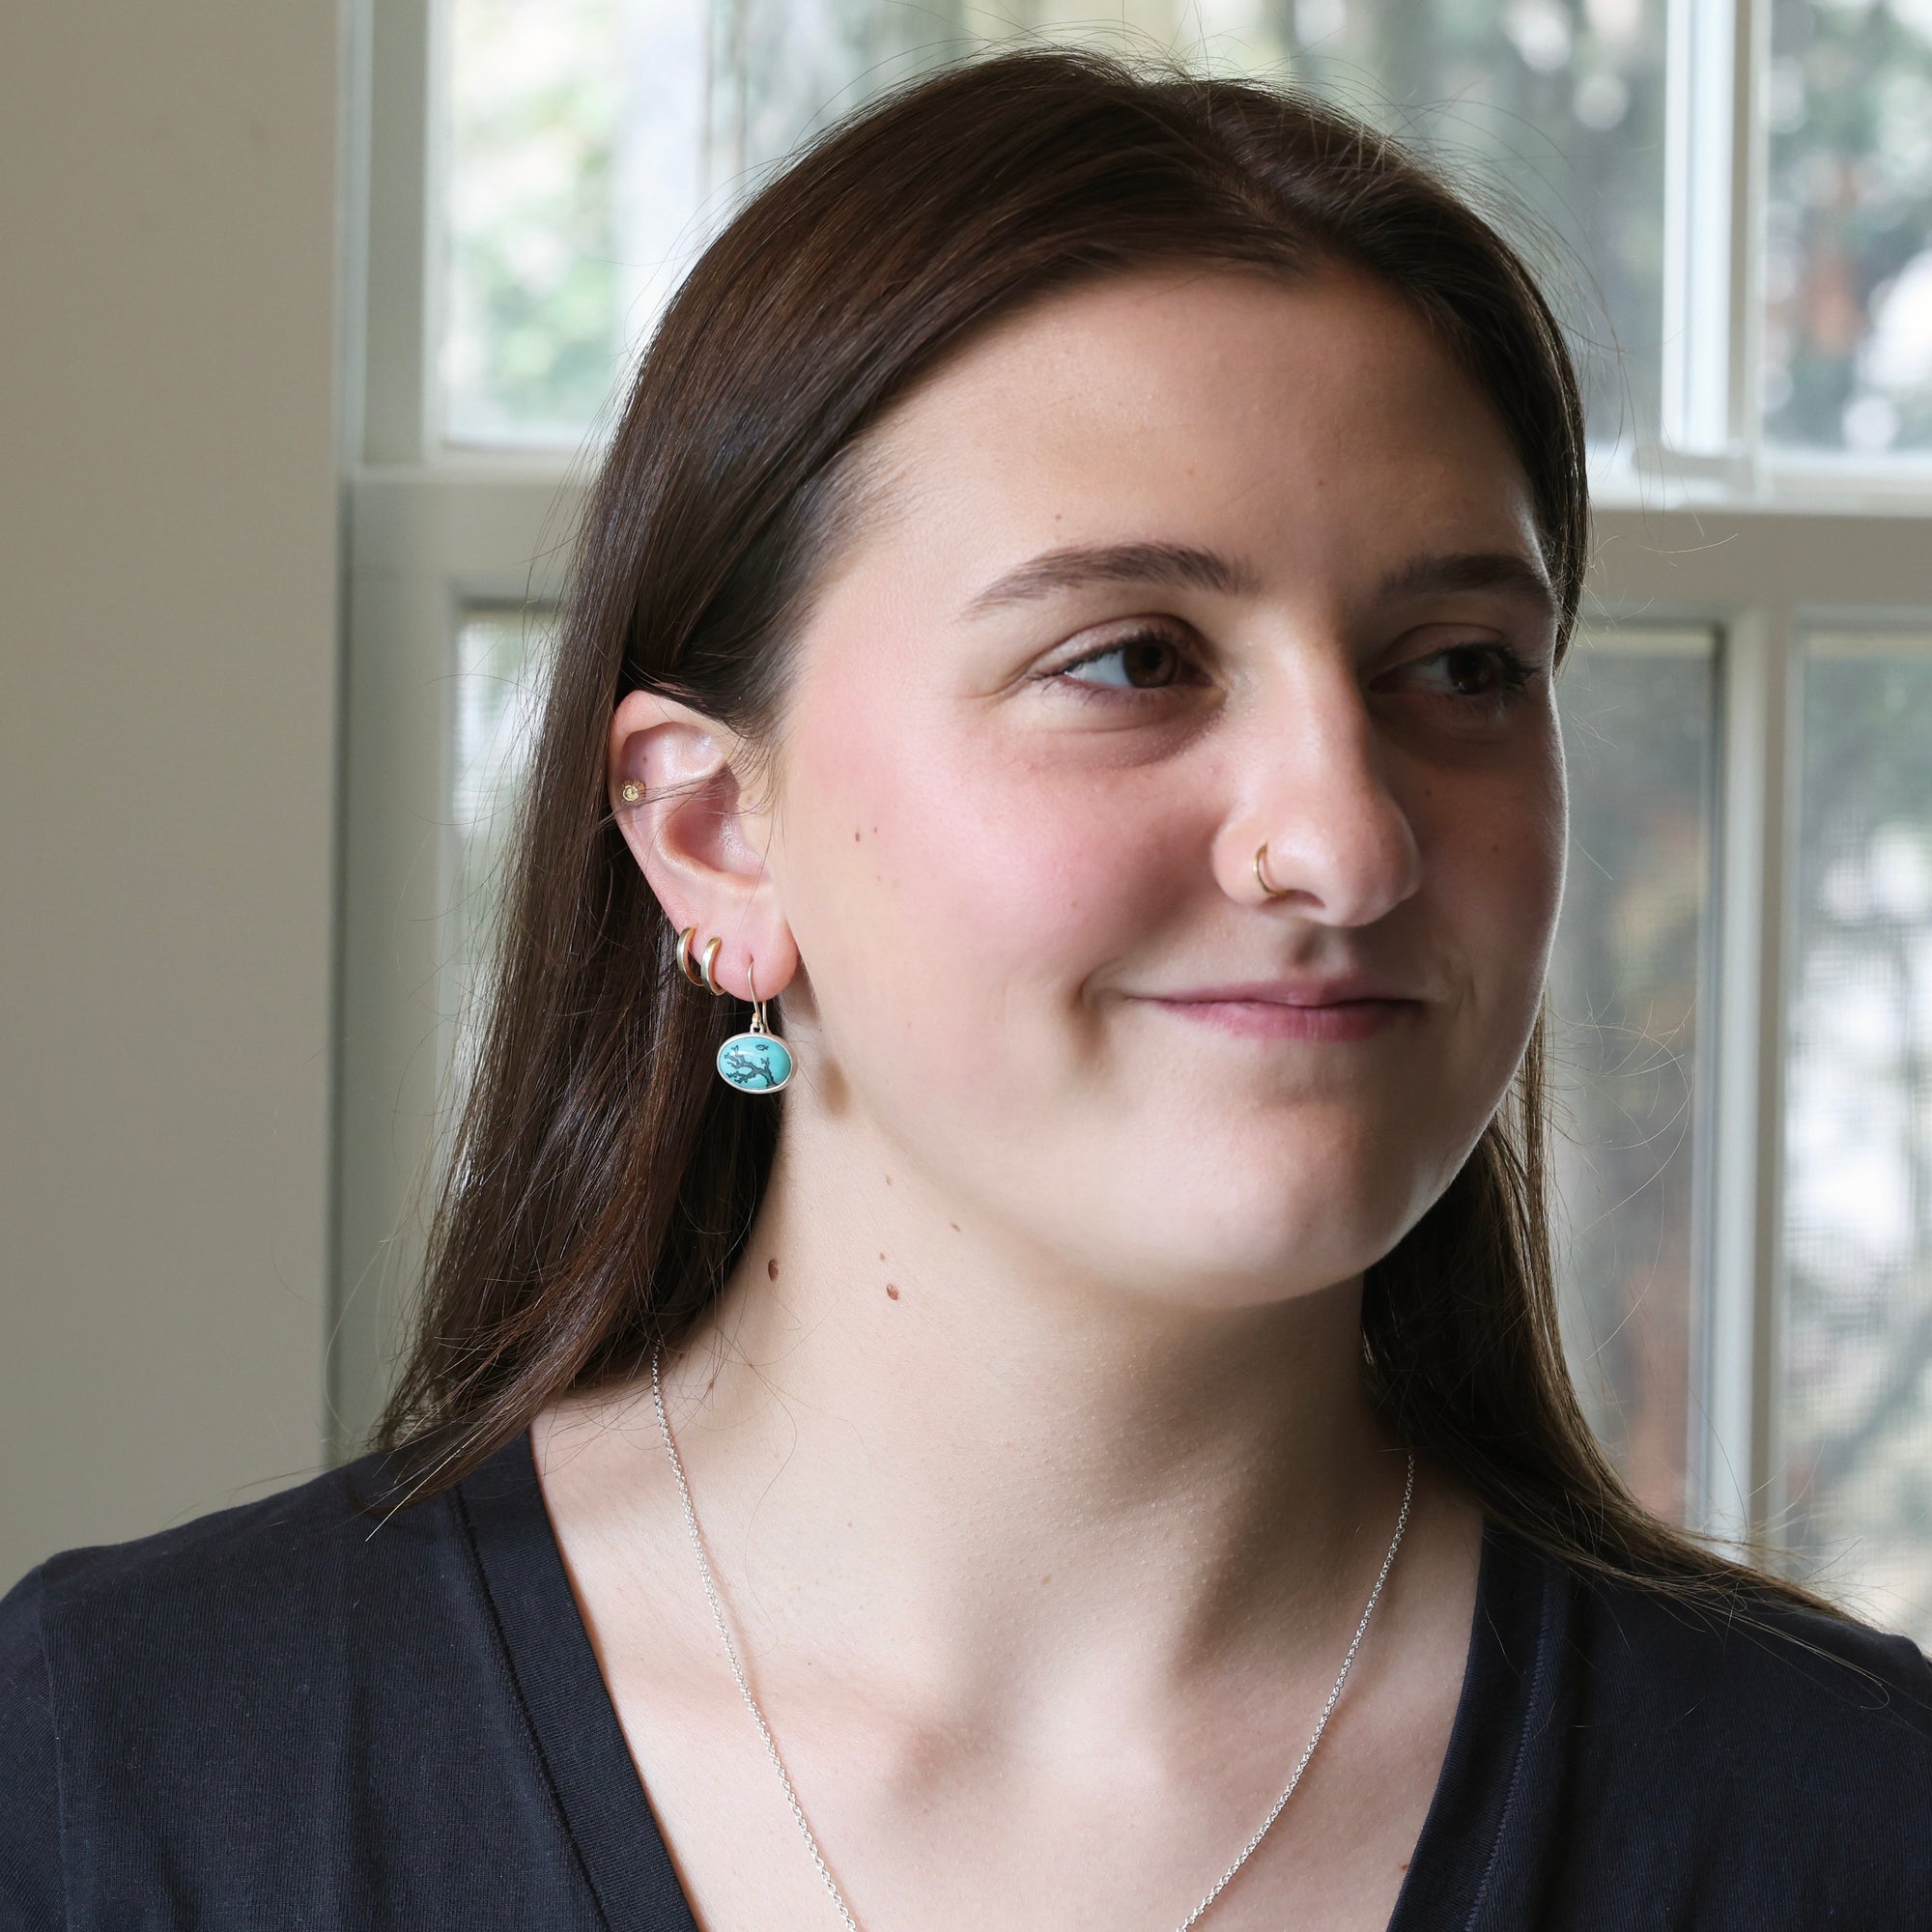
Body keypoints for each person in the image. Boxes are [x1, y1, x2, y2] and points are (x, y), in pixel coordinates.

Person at [5, 46, 1929, 1932]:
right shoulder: (108, 1778)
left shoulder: (1856, 1824)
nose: (1347, 844)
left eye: (1458, 668)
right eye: (1131, 660)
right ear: (710, 834)